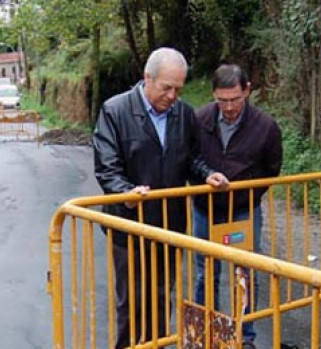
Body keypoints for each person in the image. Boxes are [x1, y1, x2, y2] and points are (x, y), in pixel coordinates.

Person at [92, 47, 229, 348]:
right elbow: (106, 165)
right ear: (147, 79)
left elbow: (192, 157)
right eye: (167, 88)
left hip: (169, 223)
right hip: (129, 225)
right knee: (131, 301)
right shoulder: (115, 111)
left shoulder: (184, 113)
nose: (173, 96)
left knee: (161, 295)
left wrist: (206, 174)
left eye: (178, 89)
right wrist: (123, 192)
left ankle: (156, 344)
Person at [191, 64, 283, 347]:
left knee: (245, 272)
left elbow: (272, 168)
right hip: (205, 209)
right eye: (222, 100)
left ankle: (245, 336)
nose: (229, 107)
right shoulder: (200, 119)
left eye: (235, 100)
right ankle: (206, 332)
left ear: (247, 91)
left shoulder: (265, 127)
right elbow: (189, 158)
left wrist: (248, 195)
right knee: (205, 273)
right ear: (214, 96)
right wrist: (206, 173)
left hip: (243, 211)